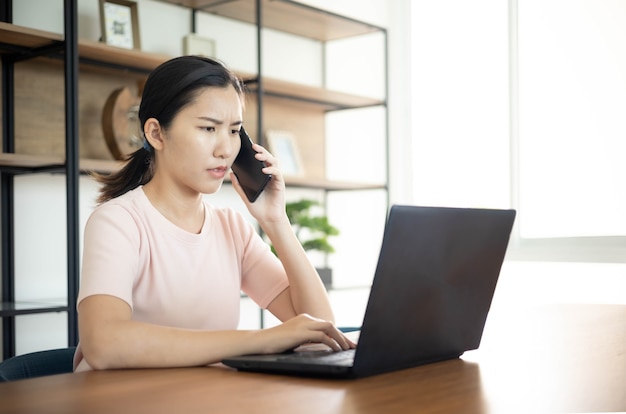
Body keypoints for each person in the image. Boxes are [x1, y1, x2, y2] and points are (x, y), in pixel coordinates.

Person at [74, 55, 355, 372]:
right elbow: (104, 344)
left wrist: (277, 221)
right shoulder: (118, 222)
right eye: (209, 128)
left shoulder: (231, 228)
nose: (225, 149)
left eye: (234, 131)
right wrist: (259, 340)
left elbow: (320, 329)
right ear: (156, 133)